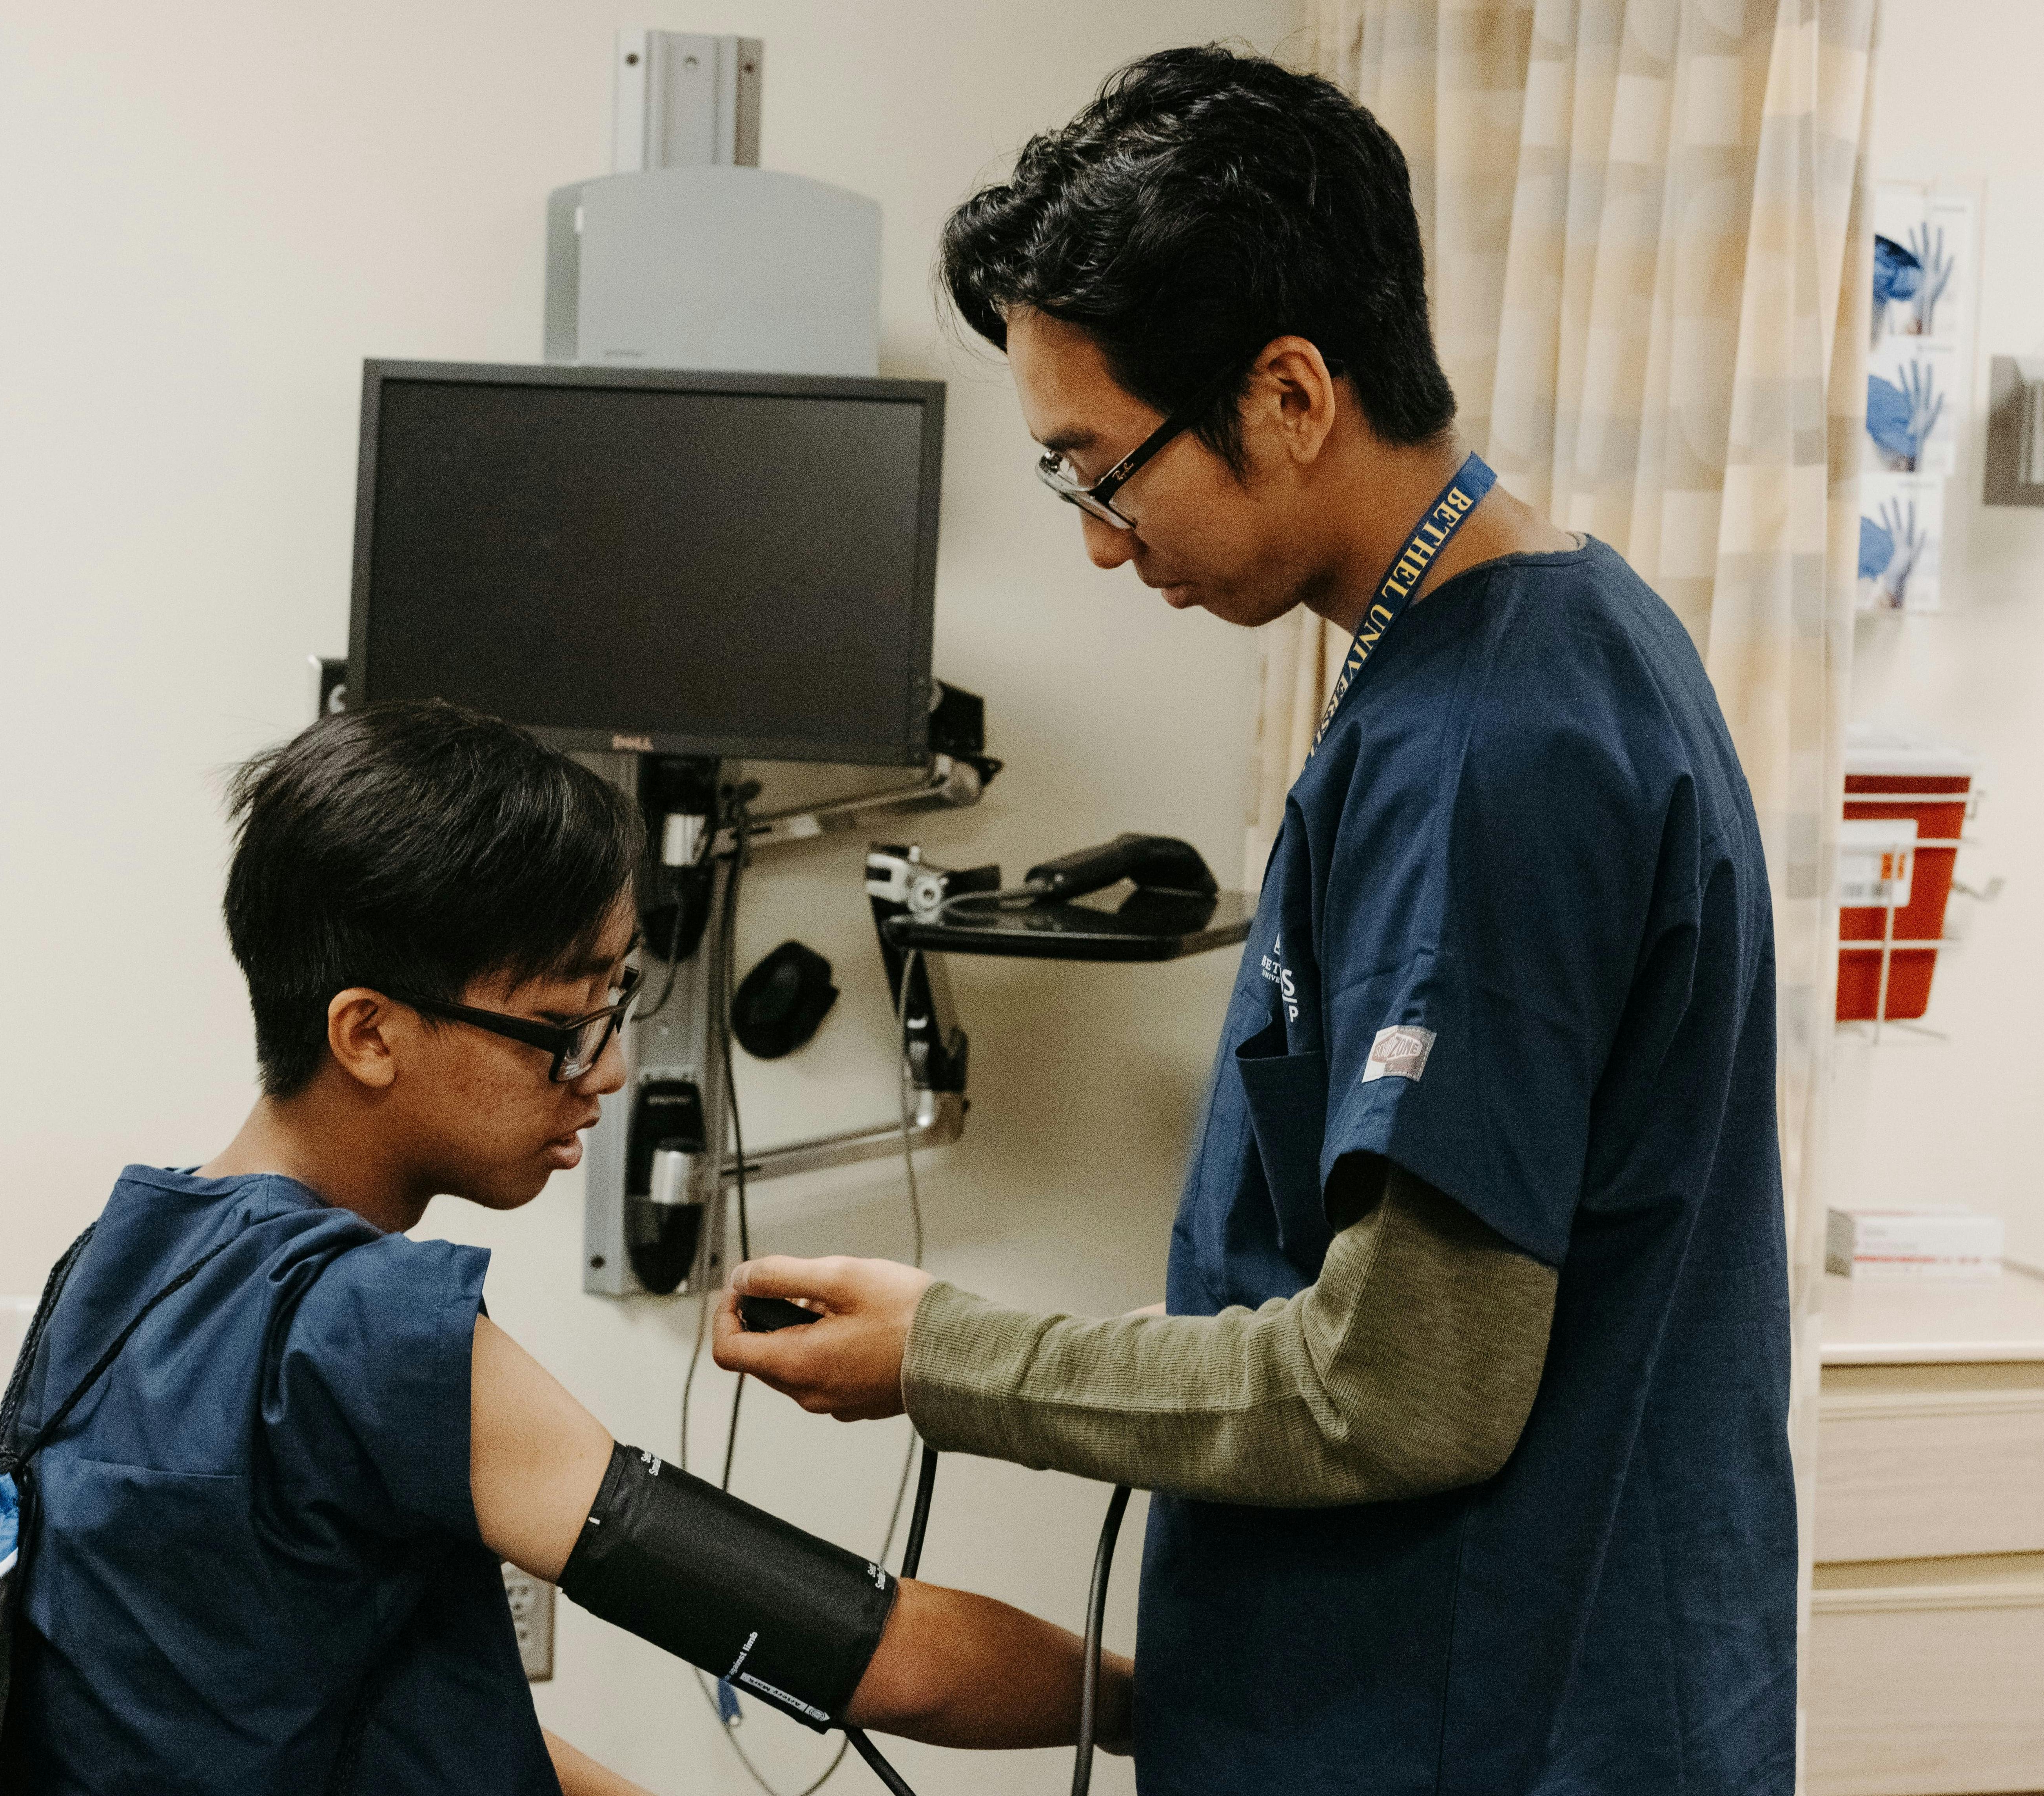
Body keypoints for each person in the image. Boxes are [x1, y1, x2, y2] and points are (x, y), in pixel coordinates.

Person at [713, 44, 1797, 1796]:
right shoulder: (1532, 660)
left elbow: (1402, 1385)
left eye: (1098, 469)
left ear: (1291, 393)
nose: (1097, 541)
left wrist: (949, 1355)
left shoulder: (1495, 753)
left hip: (1484, 1734)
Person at [1, 702, 1129, 1794]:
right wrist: (1169, 1705)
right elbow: (885, 1659)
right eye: (560, 1026)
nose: (606, 1072)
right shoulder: (365, 1328)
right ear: (369, 1032)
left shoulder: (116, 1261)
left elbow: (332, 1711)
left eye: (613, 1009)